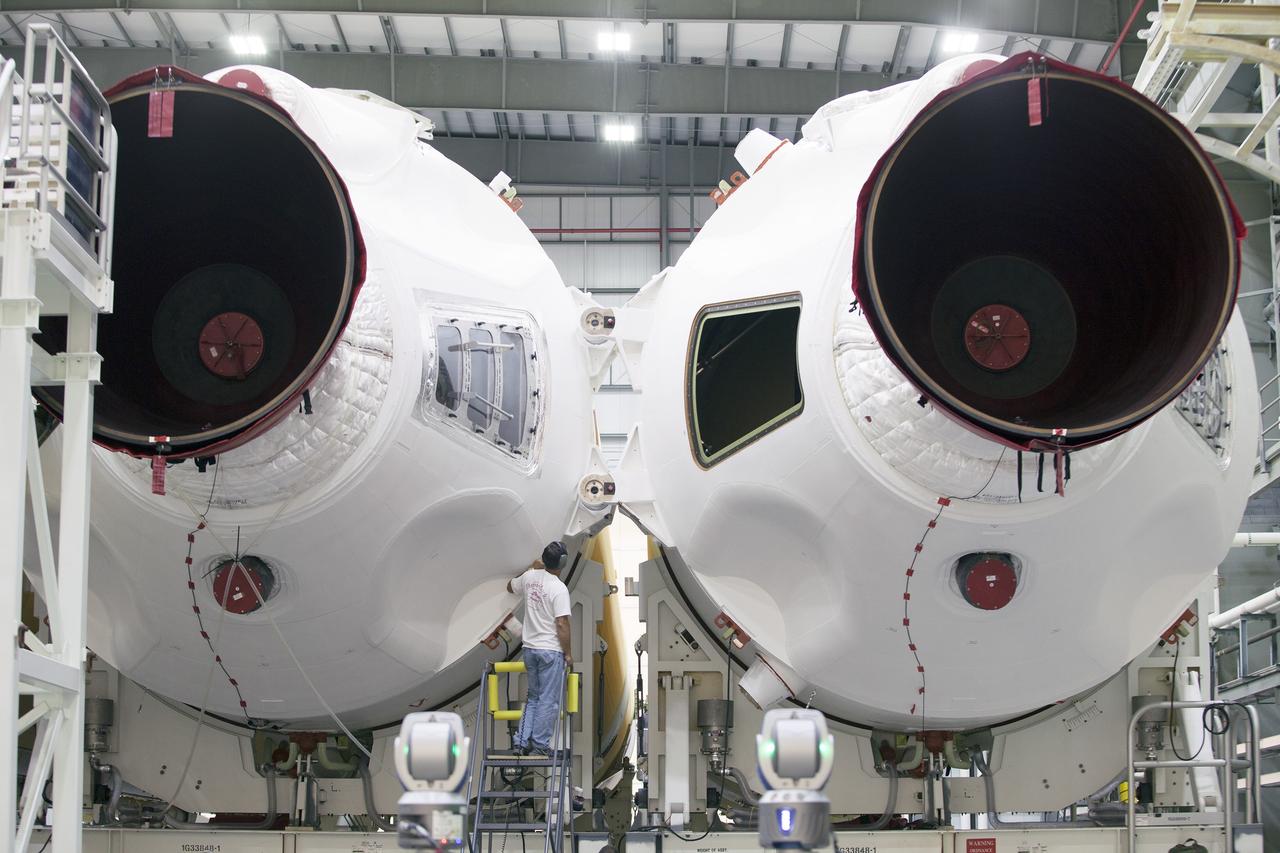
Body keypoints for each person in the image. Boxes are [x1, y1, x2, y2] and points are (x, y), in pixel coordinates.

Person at [507, 541, 573, 755]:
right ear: (562, 563)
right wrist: (568, 653)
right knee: (549, 700)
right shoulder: (558, 588)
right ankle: (540, 743)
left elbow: (510, 586)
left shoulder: (529, 578)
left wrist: (534, 568)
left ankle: (521, 741)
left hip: (529, 649)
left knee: (533, 697)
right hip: (550, 651)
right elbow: (561, 624)